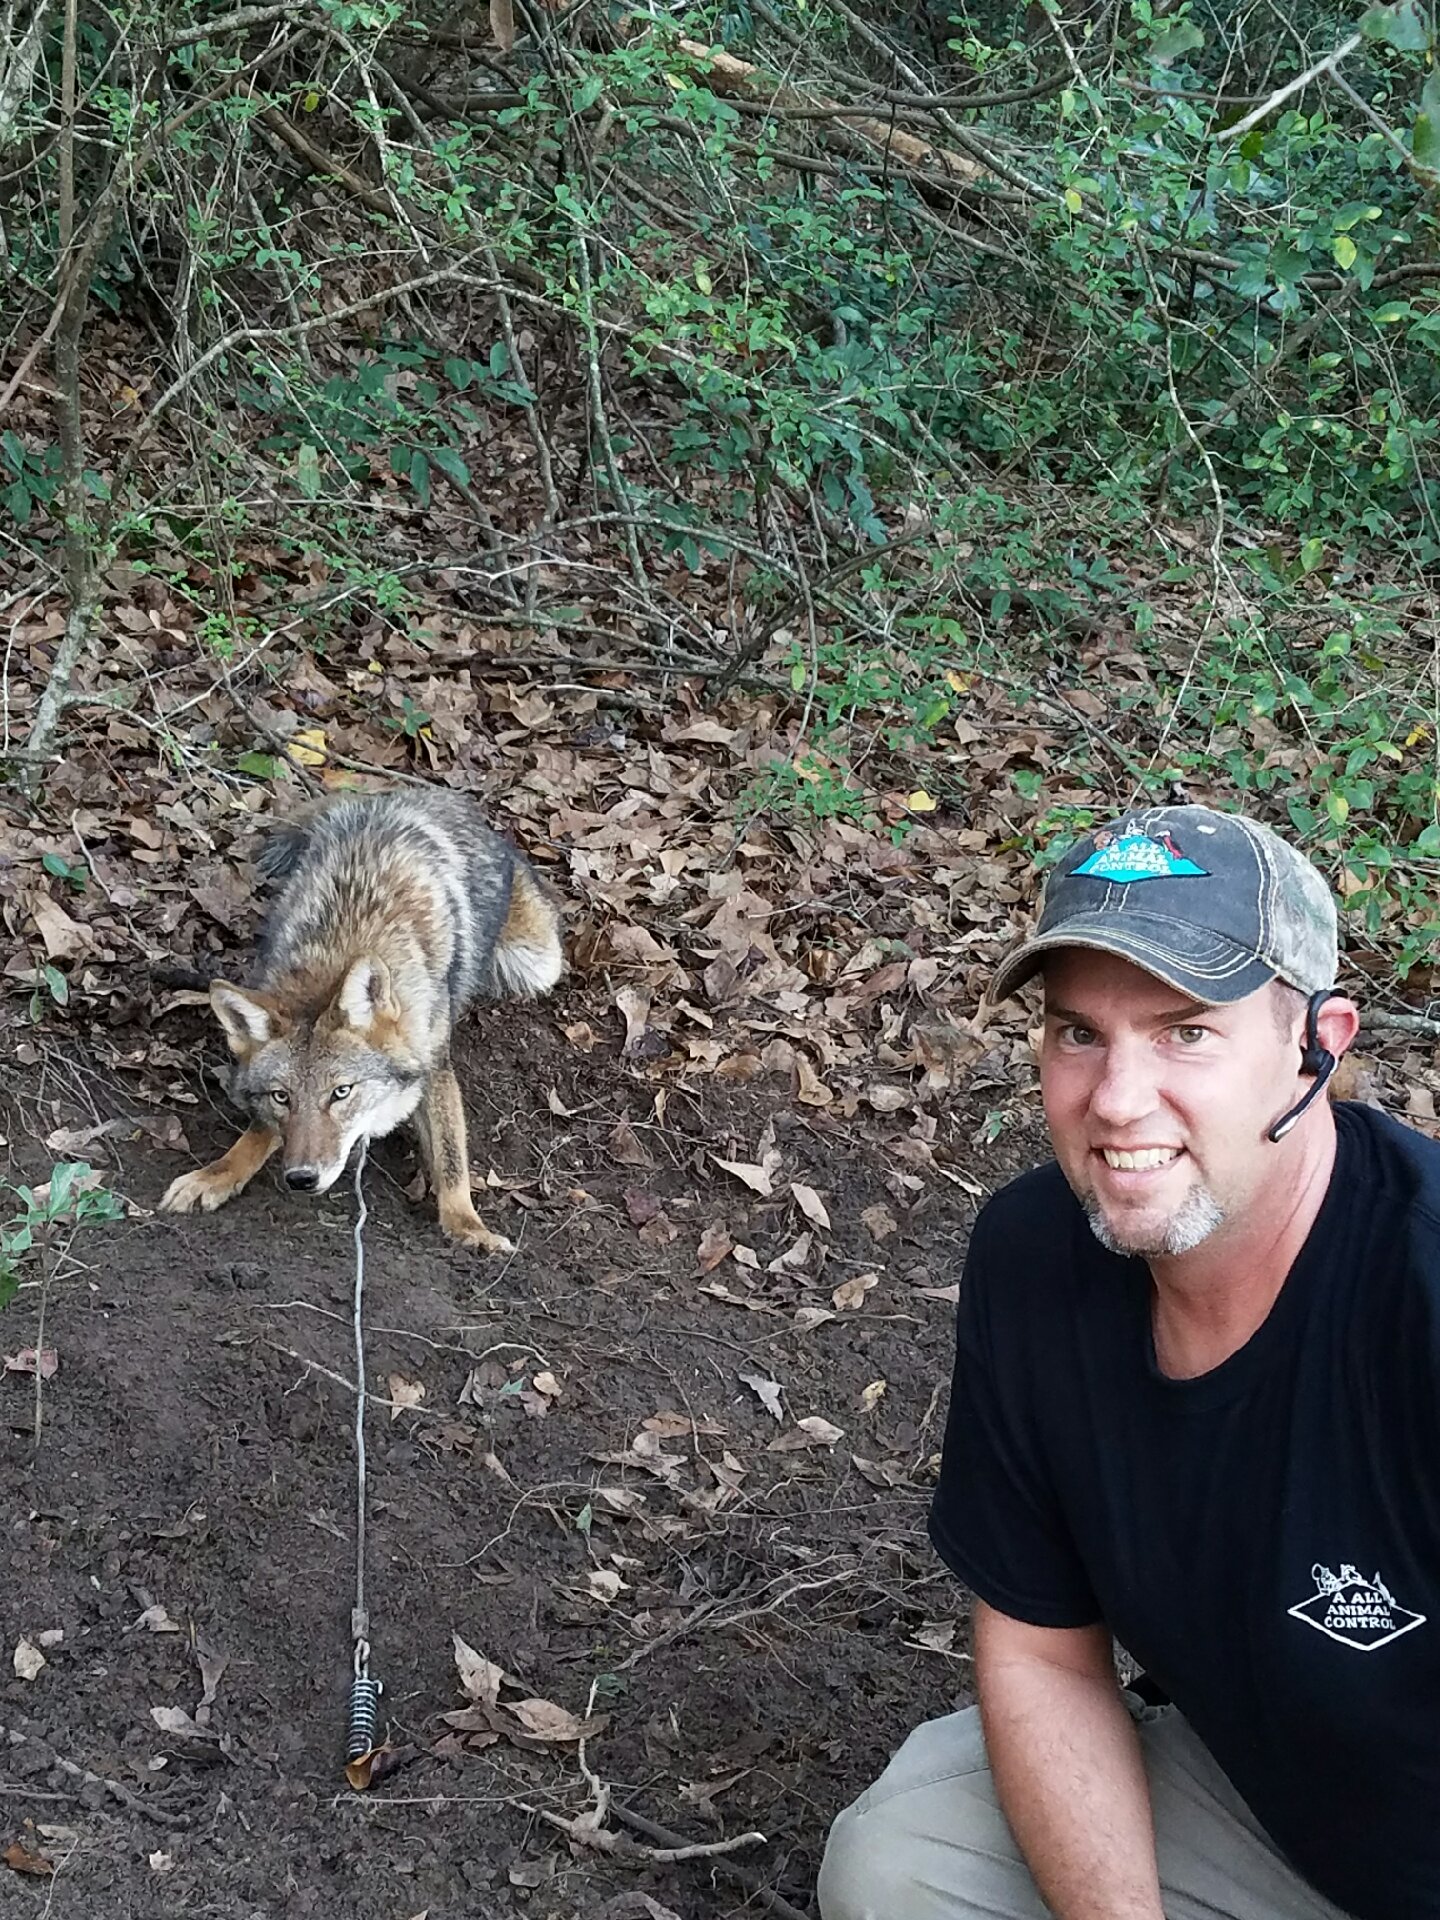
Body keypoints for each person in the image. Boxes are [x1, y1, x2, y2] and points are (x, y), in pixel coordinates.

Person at [818, 804, 1440, 1920]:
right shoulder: (1034, 1256)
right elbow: (1046, 1657)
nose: (1114, 1101)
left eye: (1185, 1032)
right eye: (1079, 1033)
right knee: (899, 1866)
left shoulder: (1418, 1291)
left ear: (1320, 1043)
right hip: (1267, 1794)